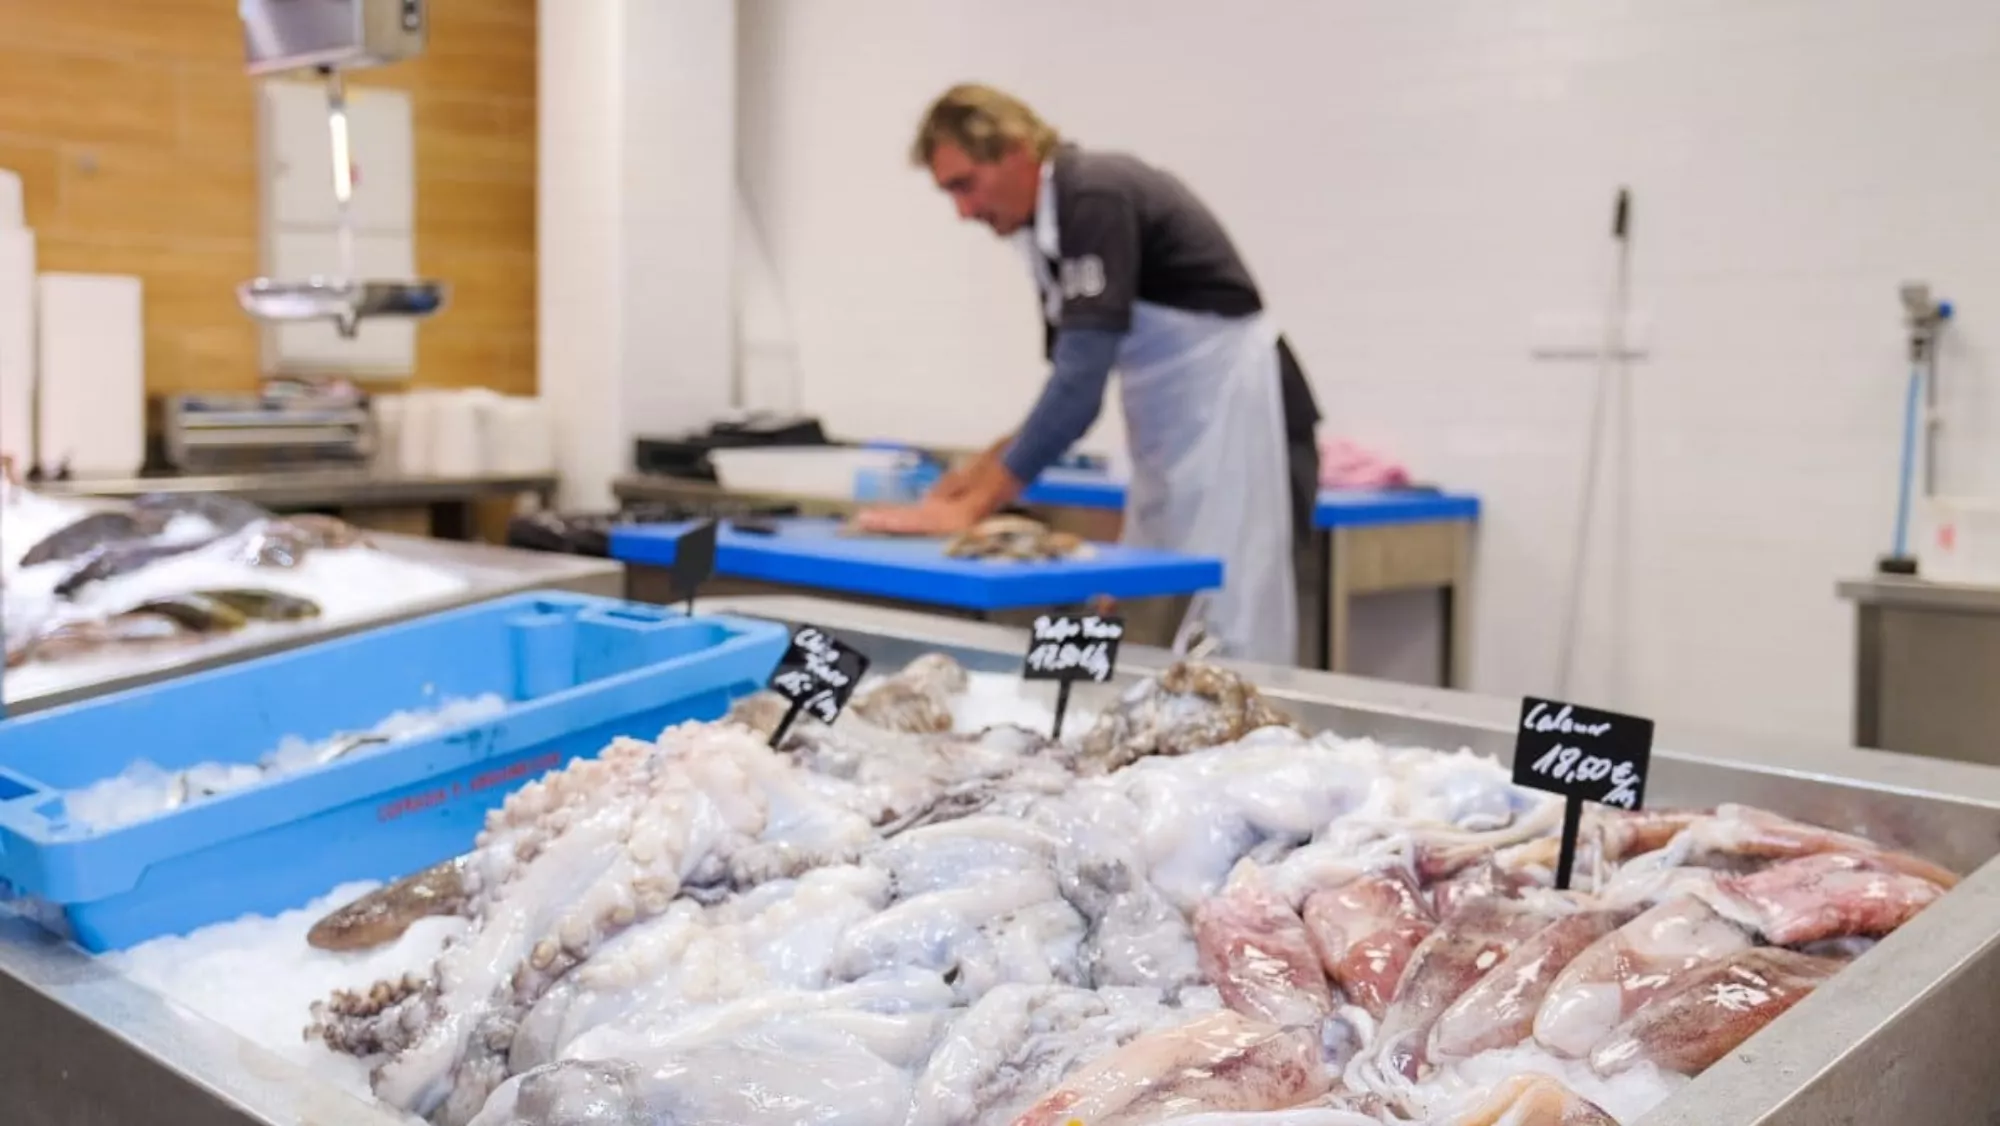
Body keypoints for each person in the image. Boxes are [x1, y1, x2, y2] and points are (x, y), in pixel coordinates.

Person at [854, 83, 1322, 665]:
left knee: (1233, 620)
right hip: (1180, 434)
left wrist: (972, 509)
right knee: (1158, 616)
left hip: (1245, 418)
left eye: (965, 185)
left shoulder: (1095, 197)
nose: (964, 212)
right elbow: (1062, 383)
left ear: (1015, 150)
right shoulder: (1043, 233)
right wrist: (971, 478)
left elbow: (1079, 392)